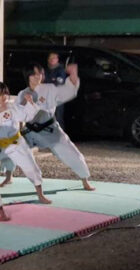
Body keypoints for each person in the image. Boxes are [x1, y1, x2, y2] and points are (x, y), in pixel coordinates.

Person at [19, 62, 96, 191]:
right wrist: (25, 104)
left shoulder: (49, 89)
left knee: (72, 153)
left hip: (50, 130)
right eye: (34, 74)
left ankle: (84, 180)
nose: (38, 76)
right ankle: (8, 175)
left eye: (40, 73)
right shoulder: (23, 94)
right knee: (11, 146)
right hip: (30, 132)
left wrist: (73, 74)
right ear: (28, 76)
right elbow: (19, 114)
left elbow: (67, 91)